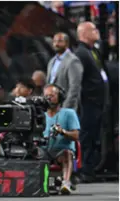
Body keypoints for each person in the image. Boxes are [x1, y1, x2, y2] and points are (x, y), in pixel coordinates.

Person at [74, 21, 110, 182]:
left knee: (95, 136)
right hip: (88, 103)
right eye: (93, 30)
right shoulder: (81, 53)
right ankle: (85, 170)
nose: (97, 31)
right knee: (87, 136)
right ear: (84, 33)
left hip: (99, 102)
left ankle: (93, 168)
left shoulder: (93, 51)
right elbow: (78, 80)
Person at [46, 32, 83, 111]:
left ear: (66, 43)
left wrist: (65, 108)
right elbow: (49, 84)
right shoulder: (52, 61)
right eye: (54, 41)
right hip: (52, 107)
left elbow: (74, 88)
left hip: (66, 107)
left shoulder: (73, 61)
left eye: (59, 41)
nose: (56, 44)